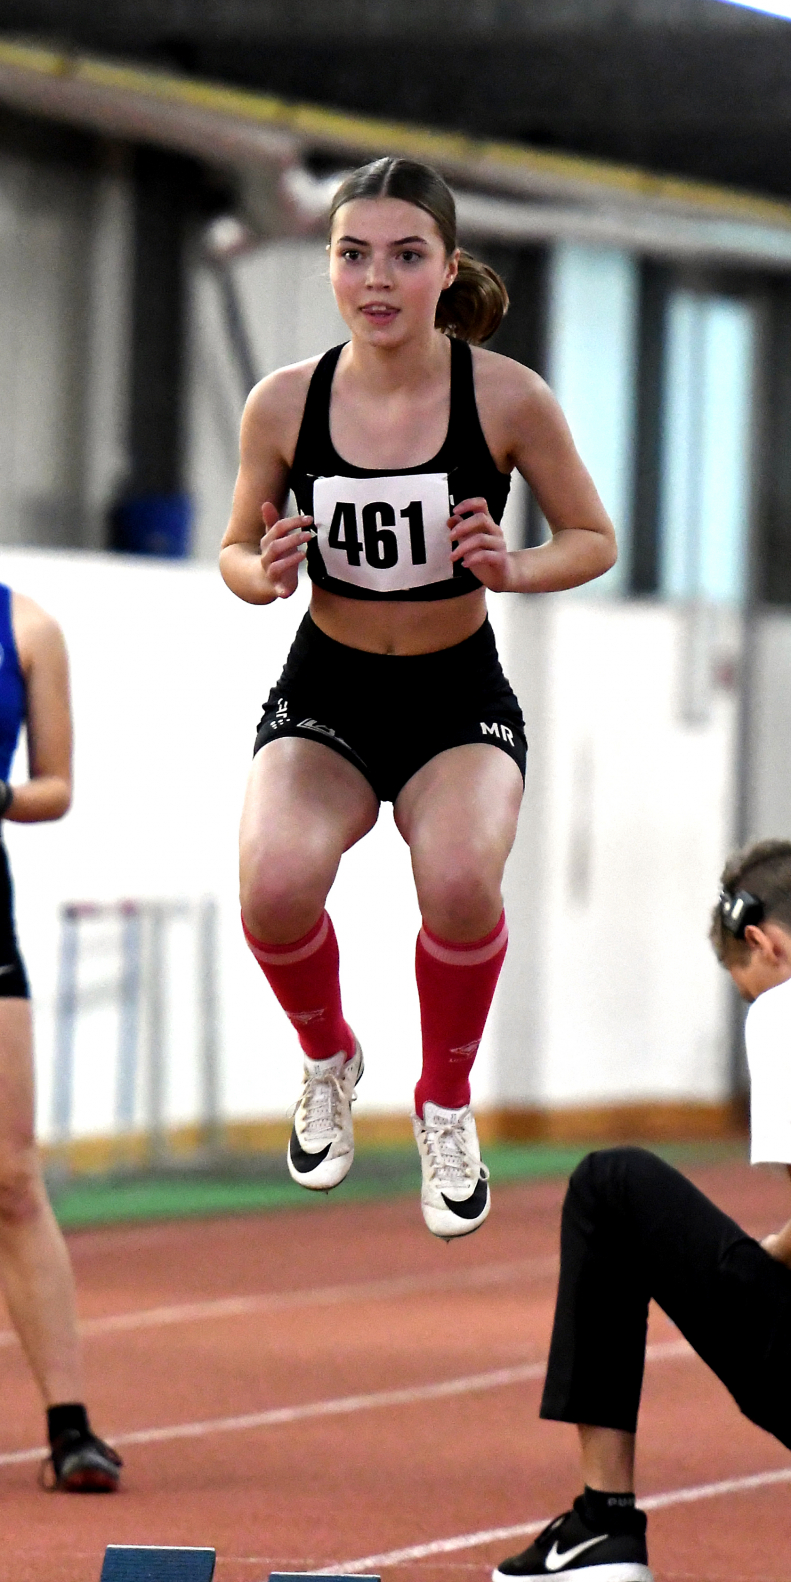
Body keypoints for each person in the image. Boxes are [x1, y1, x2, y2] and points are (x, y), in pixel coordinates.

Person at [220, 156, 616, 1239]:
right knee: (273, 883)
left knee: (456, 880)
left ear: (446, 269)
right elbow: (231, 550)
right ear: (330, 267)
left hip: (453, 691)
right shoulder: (283, 403)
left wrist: (513, 565)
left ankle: (443, 1099)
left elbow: (592, 537)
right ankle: (327, 1055)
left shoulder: (504, 397)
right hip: (329, 683)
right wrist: (268, 567)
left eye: (404, 256)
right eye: (353, 255)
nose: (376, 279)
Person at [493, 837, 791, 1580]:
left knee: (610, 1186)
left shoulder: (785, 1010)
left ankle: (602, 1523)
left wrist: (747, 1270)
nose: (754, 1002)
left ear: (765, 944)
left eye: (746, 986)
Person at [0, 583, 121, 1491]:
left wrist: (0, 792)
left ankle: (70, 1427)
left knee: (11, 1176)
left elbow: (57, 789)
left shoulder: (28, 629)